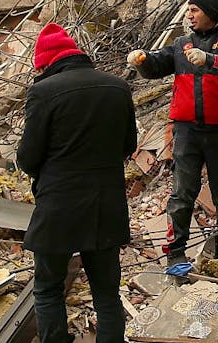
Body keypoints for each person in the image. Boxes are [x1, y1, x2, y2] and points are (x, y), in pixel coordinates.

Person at [17, 23, 137, 343]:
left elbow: (28, 159)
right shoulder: (118, 87)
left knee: (48, 290)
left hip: (59, 206)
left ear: (45, 63)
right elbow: (129, 145)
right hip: (106, 206)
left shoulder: (43, 92)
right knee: (107, 295)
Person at [127, 0, 218, 265]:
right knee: (182, 193)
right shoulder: (182, 44)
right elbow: (158, 65)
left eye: (195, 10)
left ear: (210, 12)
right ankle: (176, 254)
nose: (190, 16)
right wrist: (142, 61)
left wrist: (209, 59)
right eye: (188, 11)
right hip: (187, 132)